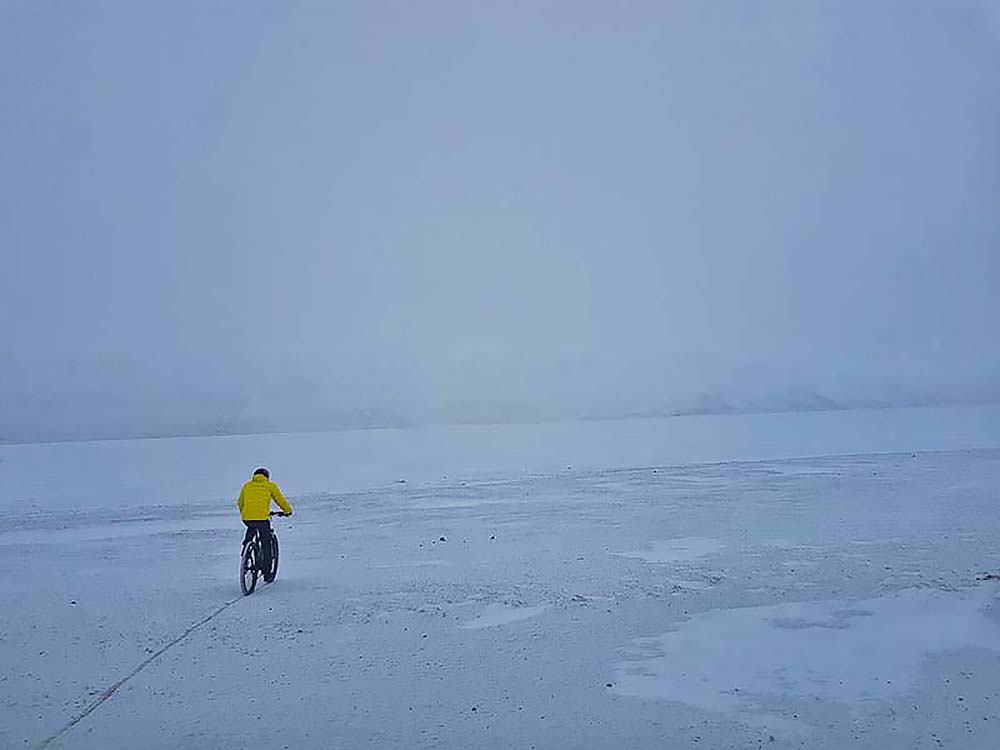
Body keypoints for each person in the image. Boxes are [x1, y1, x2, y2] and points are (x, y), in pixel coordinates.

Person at [237, 467, 293, 576]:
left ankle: (246, 549)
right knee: (265, 543)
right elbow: (280, 500)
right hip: (262, 518)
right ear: (266, 477)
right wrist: (287, 511)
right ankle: (267, 572)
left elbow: (240, 502)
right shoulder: (270, 486)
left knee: (251, 528)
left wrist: (245, 513)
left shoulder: (247, 485)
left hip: (247, 518)